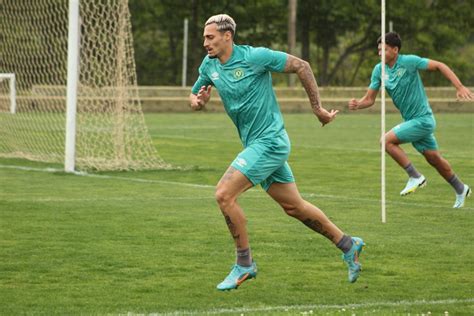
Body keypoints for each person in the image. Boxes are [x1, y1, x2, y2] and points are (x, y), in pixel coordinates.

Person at [189, 14, 365, 291]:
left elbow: (301, 66)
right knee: (294, 206)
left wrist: (317, 108)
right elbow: (195, 94)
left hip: (270, 142)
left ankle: (244, 264)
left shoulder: (255, 57)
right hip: (255, 145)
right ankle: (347, 244)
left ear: (227, 36)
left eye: (209, 37)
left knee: (224, 194)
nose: (205, 43)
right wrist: (198, 101)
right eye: (203, 37)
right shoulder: (209, 65)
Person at [348, 32, 472, 208]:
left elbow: (439, 65)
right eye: (378, 50)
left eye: (383, 49)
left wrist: (459, 87)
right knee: (434, 159)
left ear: (395, 50)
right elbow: (369, 99)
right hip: (412, 121)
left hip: (423, 119)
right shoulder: (378, 70)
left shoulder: (409, 61)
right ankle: (461, 188)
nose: (380, 53)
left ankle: (415, 176)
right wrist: (357, 104)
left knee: (386, 141)